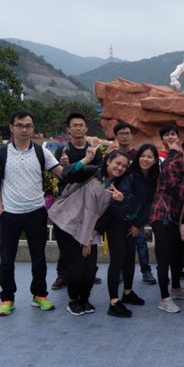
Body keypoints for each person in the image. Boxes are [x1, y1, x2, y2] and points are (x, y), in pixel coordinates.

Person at [0, 110, 64, 316]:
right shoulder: (1, 153)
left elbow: (62, 173)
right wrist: (1, 211)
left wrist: (84, 163)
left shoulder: (41, 152)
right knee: (7, 259)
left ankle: (39, 295)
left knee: (39, 257)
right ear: (11, 127)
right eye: (20, 125)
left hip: (36, 212)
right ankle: (7, 298)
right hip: (10, 213)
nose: (24, 129)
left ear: (33, 128)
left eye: (28, 126)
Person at [48, 148, 130, 316]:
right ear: (108, 161)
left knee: (90, 268)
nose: (120, 168)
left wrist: (121, 201)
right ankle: (73, 300)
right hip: (67, 224)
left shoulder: (118, 187)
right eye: (117, 163)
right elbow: (66, 174)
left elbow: (108, 216)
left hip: (90, 230)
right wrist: (86, 159)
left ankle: (84, 298)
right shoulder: (91, 172)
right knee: (76, 267)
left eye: (124, 166)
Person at [105, 144, 160, 317]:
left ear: (155, 160)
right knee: (117, 261)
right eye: (142, 155)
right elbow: (123, 198)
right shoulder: (129, 175)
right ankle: (113, 302)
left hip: (132, 224)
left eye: (149, 156)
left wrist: (138, 224)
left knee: (129, 259)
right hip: (117, 221)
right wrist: (123, 201)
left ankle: (127, 293)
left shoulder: (152, 177)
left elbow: (148, 203)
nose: (145, 159)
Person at [150, 137, 184, 314]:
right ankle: (164, 298)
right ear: (183, 150)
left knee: (178, 255)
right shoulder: (173, 166)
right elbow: (178, 193)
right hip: (162, 215)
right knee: (164, 258)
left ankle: (176, 288)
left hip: (179, 220)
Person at [52, 113, 103, 290]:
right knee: (67, 235)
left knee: (87, 234)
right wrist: (64, 165)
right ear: (68, 129)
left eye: (81, 125)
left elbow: (99, 172)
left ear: (86, 128)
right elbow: (62, 174)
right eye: (74, 125)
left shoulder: (94, 150)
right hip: (69, 199)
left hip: (89, 199)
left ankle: (88, 271)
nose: (78, 128)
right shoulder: (63, 150)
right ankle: (62, 274)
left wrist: (75, 169)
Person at [105, 122, 156, 285]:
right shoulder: (110, 155)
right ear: (116, 136)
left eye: (127, 133)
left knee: (140, 240)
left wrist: (140, 220)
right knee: (118, 245)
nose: (125, 136)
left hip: (134, 210)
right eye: (121, 133)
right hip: (117, 207)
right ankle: (120, 271)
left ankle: (146, 270)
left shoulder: (138, 154)